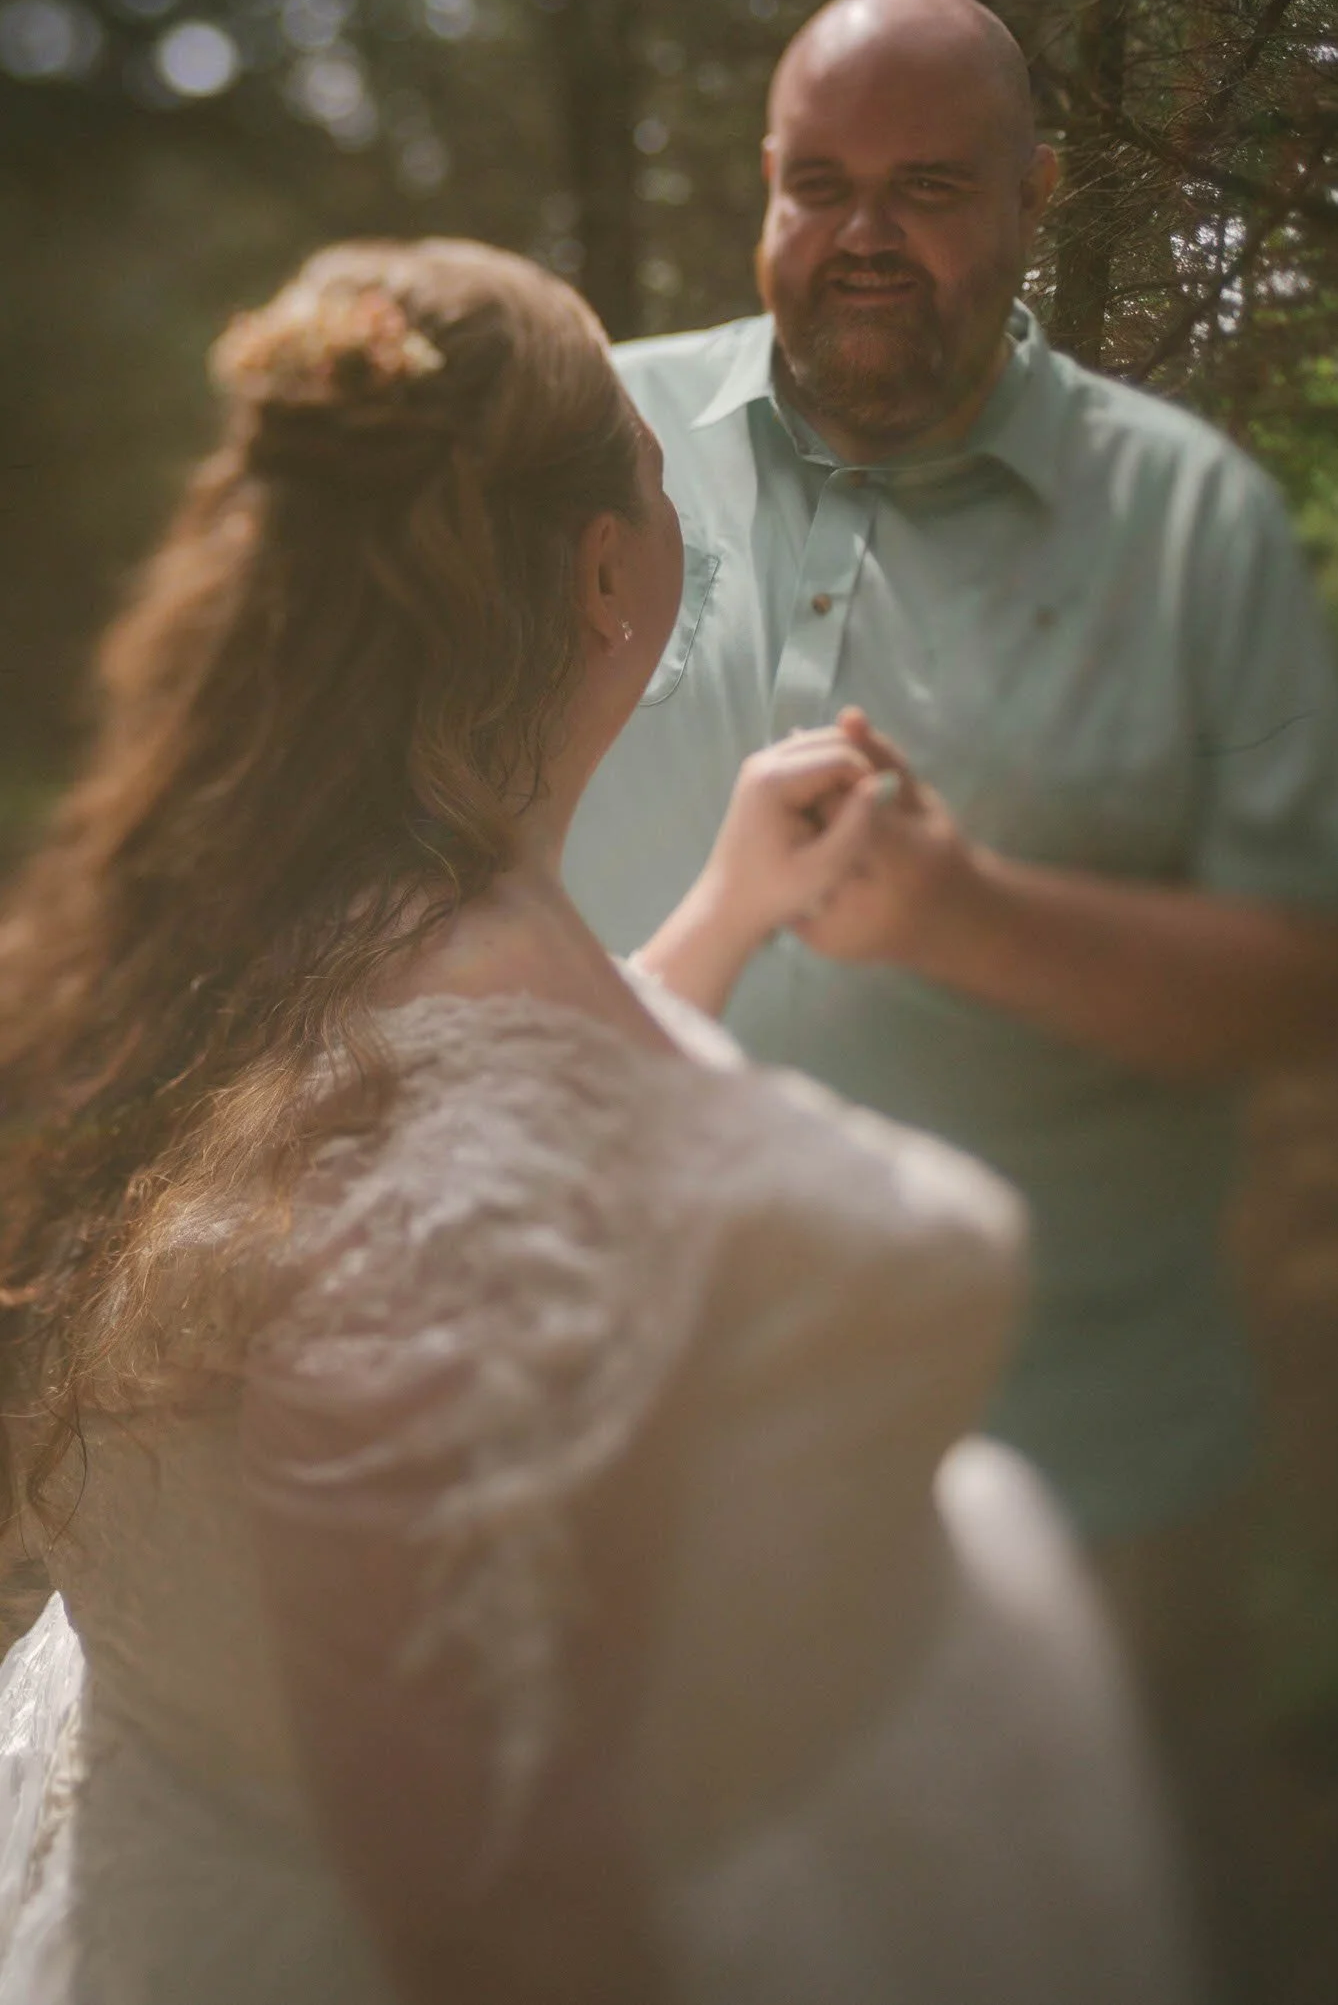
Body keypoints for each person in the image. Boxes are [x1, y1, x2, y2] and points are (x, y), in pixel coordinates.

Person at [0, 240, 1192, 2005]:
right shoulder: (440, 1184)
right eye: (654, 471)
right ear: (606, 568)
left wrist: (716, 917)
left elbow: (468, 1108)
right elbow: (493, 1912)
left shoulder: (223, 955)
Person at [561, 0, 1338, 1989]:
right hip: (624, 1457)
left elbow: (1318, 982)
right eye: (813, 183)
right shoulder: (583, 448)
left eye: (928, 188)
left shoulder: (1191, 517)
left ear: (1033, 197)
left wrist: (965, 917)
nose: (860, 233)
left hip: (1079, 1472)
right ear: (759, 190)